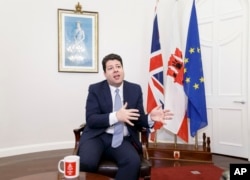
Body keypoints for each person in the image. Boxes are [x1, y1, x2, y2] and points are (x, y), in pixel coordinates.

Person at [78, 53, 173, 180]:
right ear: (105, 74)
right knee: (87, 162)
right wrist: (116, 116)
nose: (116, 69)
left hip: (121, 139)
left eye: (118, 66)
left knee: (133, 162)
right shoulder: (95, 89)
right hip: (97, 136)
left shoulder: (134, 89)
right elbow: (91, 120)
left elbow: (137, 119)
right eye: (110, 68)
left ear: (123, 69)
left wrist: (150, 117)